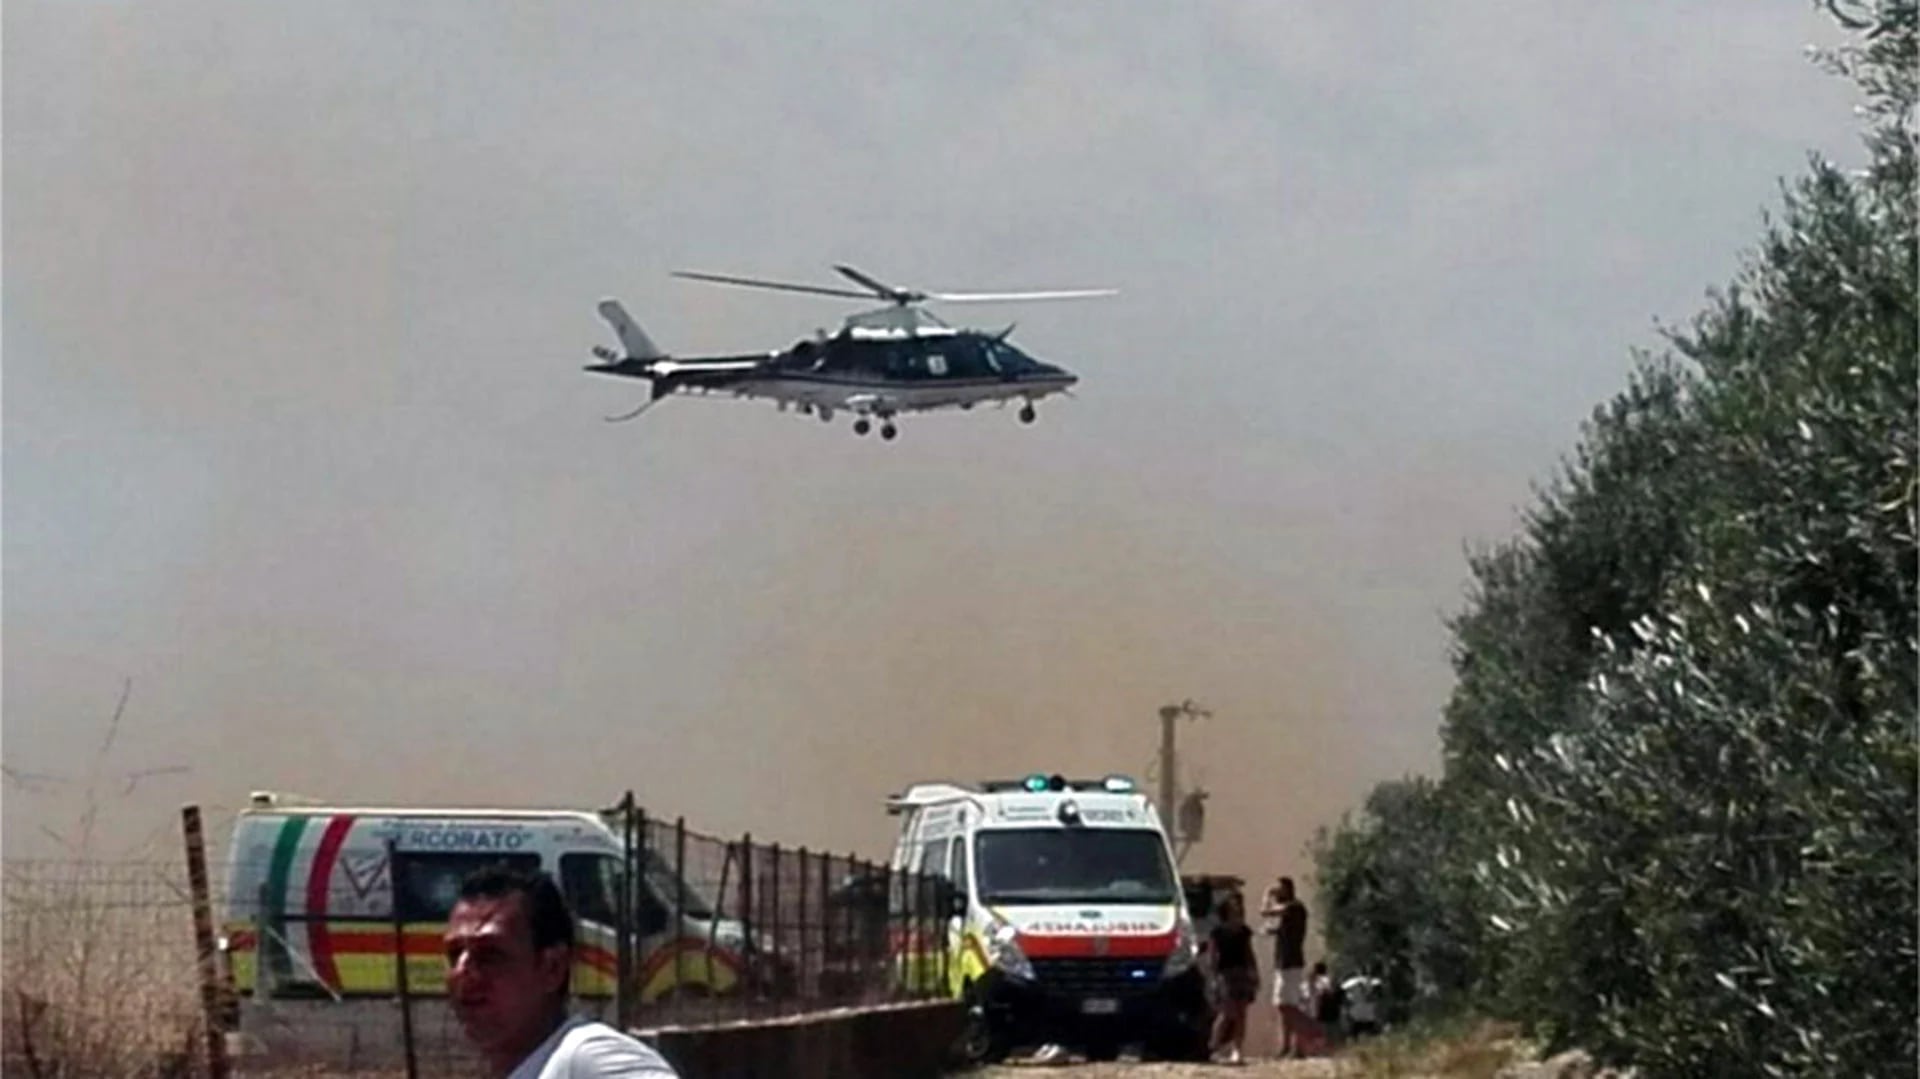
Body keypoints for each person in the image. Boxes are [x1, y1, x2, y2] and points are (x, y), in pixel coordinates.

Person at [444, 862, 680, 1078]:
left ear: (552, 968)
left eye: (490, 956)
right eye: (454, 955)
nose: (462, 972)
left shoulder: (589, 1058)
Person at [1259, 875, 1308, 1057]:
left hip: (1290, 964)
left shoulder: (1293, 907)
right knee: (1286, 1005)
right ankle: (1289, 1046)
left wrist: (1267, 894)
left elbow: (1265, 911)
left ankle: (1301, 1041)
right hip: (1285, 963)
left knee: (1287, 1006)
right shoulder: (1292, 911)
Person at [1206, 893, 1257, 1065]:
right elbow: (1213, 956)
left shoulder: (1244, 930)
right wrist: (1213, 978)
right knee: (1227, 1012)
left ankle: (1237, 1049)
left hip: (1241, 972)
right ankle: (1214, 1046)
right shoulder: (1217, 932)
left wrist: (1254, 972)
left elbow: (1249, 953)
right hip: (1225, 974)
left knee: (1242, 1013)